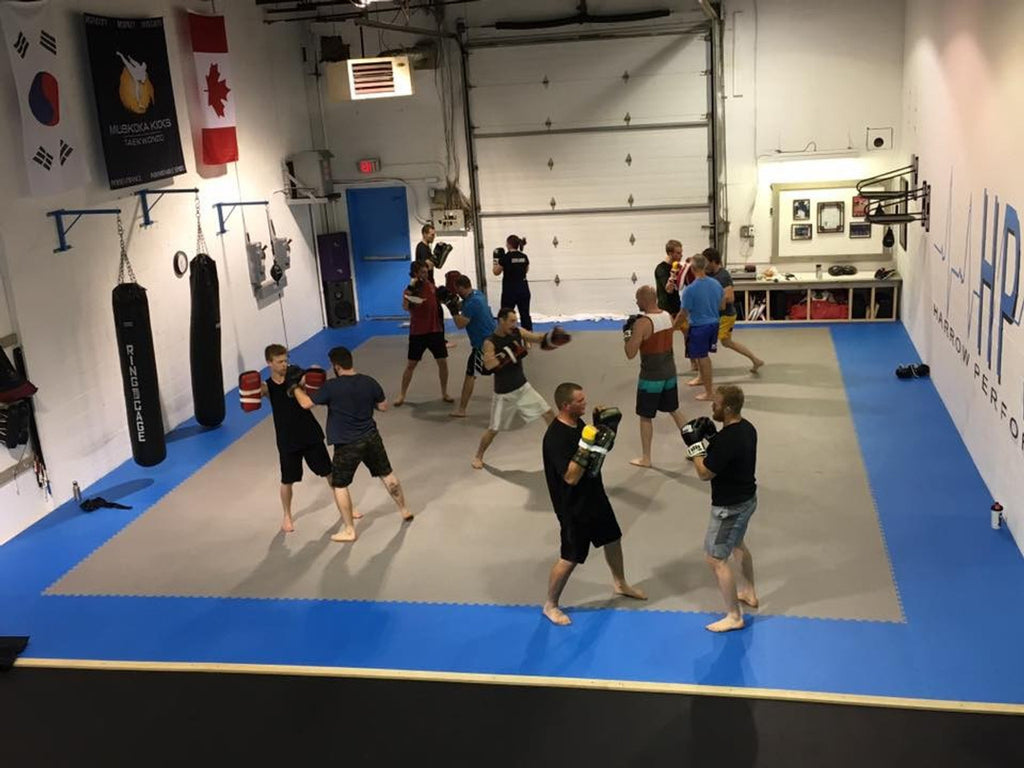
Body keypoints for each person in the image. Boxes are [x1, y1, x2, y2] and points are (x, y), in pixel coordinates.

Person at [541, 382, 646, 625]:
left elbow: (596, 456)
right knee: (571, 557)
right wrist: (586, 445)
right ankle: (550, 605)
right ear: (565, 405)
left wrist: (605, 430)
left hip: (594, 496)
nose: (585, 403)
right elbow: (571, 477)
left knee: (613, 538)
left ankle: (620, 583)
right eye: (579, 401)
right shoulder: (555, 437)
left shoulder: (579, 424)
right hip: (572, 506)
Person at [293, 346, 412, 542]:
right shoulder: (369, 381)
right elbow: (383, 406)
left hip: (346, 443)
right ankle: (404, 509)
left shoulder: (331, 386)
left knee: (339, 485)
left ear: (336, 366)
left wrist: (294, 387)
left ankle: (349, 530)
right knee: (387, 473)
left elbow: (306, 403)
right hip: (371, 437)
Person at [689, 385, 759, 633]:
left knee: (716, 558)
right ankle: (749, 592)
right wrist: (711, 438)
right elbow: (726, 455)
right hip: (747, 499)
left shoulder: (728, 440)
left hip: (730, 508)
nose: (712, 407)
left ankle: (734, 616)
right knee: (738, 543)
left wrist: (695, 446)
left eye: (716, 404)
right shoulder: (747, 428)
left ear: (728, 408)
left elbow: (704, 472)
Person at [472, 308, 571, 469]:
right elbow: (488, 365)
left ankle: (560, 447)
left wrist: (551, 337)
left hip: (523, 387)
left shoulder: (517, 332)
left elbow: (537, 338)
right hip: (504, 394)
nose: (514, 324)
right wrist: (507, 356)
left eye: (515, 320)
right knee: (493, 429)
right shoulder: (490, 342)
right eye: (511, 321)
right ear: (501, 321)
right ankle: (478, 456)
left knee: (548, 413)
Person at [259, 344, 334, 533]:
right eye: (279, 361)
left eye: (286, 360)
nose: (284, 364)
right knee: (287, 480)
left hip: (309, 433)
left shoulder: (295, 377)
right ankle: (287, 515)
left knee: (329, 472)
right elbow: (254, 396)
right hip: (287, 438)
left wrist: (316, 371)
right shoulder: (267, 386)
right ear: (269, 363)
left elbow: (312, 379)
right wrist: (249, 386)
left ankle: (345, 504)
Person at [623, 286, 689, 468]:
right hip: (669, 372)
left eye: (638, 299)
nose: (636, 302)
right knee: (674, 410)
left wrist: (627, 334)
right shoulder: (667, 315)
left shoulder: (642, 323)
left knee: (645, 416)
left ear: (644, 300)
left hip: (651, 377)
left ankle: (646, 458)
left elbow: (630, 353)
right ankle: (696, 447)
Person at [395, 261, 452, 406]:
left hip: (435, 331)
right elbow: (405, 306)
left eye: (426, 272)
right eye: (423, 272)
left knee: (443, 362)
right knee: (411, 365)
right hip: (418, 333)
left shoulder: (431, 286)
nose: (426, 275)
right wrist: (411, 291)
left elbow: (437, 300)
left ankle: (444, 392)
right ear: (415, 274)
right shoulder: (409, 290)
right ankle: (402, 394)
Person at [704, 248, 764, 374]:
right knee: (723, 342)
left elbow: (730, 298)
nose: (704, 265)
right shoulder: (708, 274)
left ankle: (755, 360)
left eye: (706, 262)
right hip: (715, 315)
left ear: (713, 261)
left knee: (724, 341)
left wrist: (714, 303)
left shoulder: (723, 275)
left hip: (726, 316)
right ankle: (755, 360)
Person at [447, 273, 497, 418]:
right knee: (500, 372)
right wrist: (452, 302)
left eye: (458, 290)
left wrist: (453, 310)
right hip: (493, 340)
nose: (457, 293)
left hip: (483, 345)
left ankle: (462, 410)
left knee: (470, 375)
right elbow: (464, 305)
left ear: (461, 287)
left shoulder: (471, 303)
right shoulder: (477, 294)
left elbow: (460, 324)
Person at [679, 252, 724, 402]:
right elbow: (722, 305)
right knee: (700, 354)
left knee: (703, 357)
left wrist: (673, 327)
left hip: (699, 326)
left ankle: (709, 392)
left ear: (692, 269)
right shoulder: (716, 284)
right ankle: (700, 378)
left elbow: (683, 313)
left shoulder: (690, 289)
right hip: (714, 324)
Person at [414, 223, 455, 350]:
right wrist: (437, 256)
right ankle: (440, 341)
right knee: (438, 311)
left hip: (429, 284)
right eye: (431, 235)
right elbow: (429, 266)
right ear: (424, 234)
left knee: (432, 312)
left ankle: (429, 339)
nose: (433, 237)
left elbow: (435, 265)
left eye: (434, 234)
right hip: (426, 285)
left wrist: (437, 256)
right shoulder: (422, 248)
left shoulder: (426, 247)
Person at [493, 234, 532, 330]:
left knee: (505, 315)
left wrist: (496, 260)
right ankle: (528, 337)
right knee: (525, 315)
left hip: (510, 290)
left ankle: (506, 335)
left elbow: (496, 272)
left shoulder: (506, 257)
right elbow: (526, 270)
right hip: (523, 289)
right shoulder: (524, 256)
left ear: (508, 244)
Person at [654, 239, 684, 317]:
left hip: (676, 308)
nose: (681, 255)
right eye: (678, 253)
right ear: (670, 254)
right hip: (666, 310)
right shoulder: (662, 269)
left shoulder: (677, 267)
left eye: (681, 253)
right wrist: (673, 276)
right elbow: (669, 290)